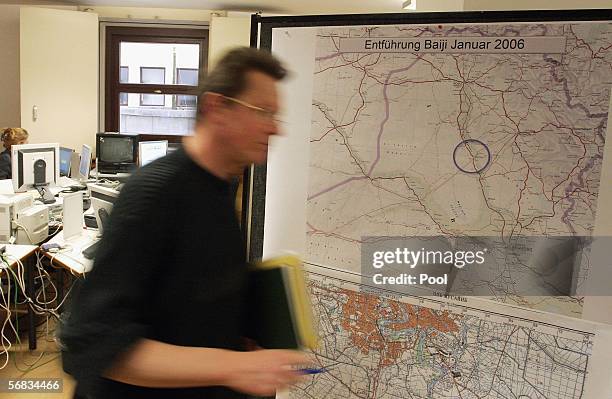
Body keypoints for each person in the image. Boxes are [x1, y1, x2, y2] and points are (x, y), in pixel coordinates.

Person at [60, 47, 308, 399]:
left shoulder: (221, 186)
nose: (275, 129)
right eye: (263, 112)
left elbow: (187, 298)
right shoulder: (154, 193)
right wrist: (236, 368)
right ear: (216, 108)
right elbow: (94, 344)